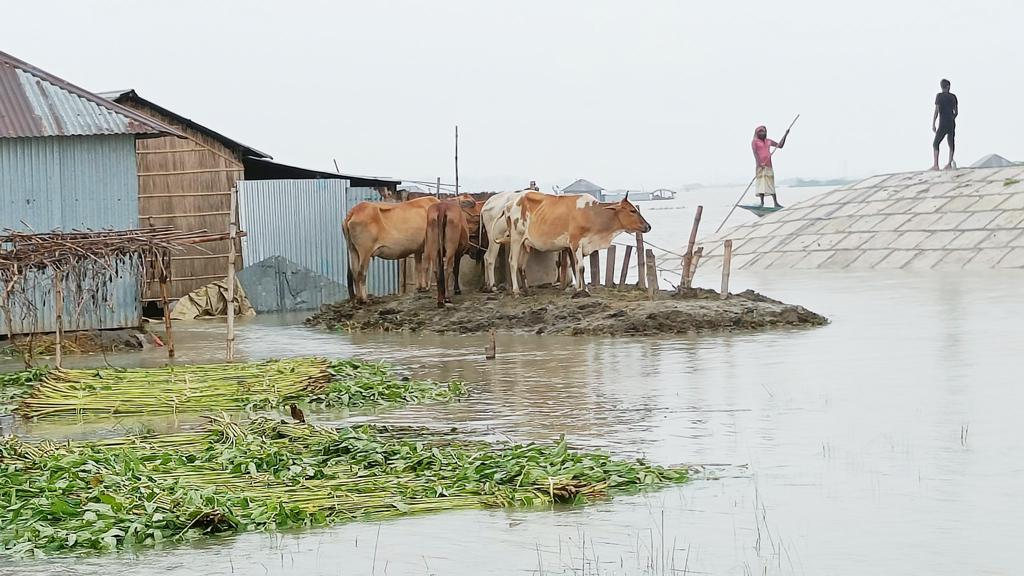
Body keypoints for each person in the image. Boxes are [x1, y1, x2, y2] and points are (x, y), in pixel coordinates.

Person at [752, 125, 789, 208]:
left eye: (764, 131)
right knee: (761, 183)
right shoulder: (754, 142)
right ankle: (762, 203)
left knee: (771, 183)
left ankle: (775, 203)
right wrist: (759, 164)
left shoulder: (768, 141)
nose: (763, 133)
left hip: (769, 165)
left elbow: (780, 145)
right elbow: (755, 153)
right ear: (757, 133)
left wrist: (785, 135)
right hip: (760, 166)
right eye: (761, 132)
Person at [932, 79, 959, 170]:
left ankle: (936, 165)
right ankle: (949, 163)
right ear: (948, 86)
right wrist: (952, 118)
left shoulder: (939, 96)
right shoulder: (953, 97)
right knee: (951, 143)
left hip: (942, 123)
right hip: (951, 123)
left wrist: (933, 123)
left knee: (936, 143)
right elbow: (956, 112)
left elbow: (936, 110)